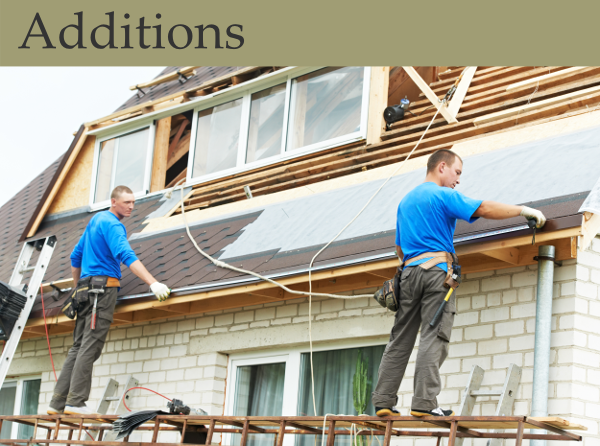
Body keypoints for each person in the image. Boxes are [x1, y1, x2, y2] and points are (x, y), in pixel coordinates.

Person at [372, 149, 545, 417]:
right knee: (434, 335)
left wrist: (412, 268)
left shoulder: (405, 201)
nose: (458, 180)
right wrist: (524, 210)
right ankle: (423, 405)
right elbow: (483, 208)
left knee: (400, 339)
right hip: (436, 274)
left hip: (407, 274)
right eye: (457, 172)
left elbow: (398, 247)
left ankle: (383, 403)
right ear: (442, 167)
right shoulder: (443, 195)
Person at [47, 185, 172, 415]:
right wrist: (152, 282)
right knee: (90, 346)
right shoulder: (114, 224)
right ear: (114, 202)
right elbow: (125, 255)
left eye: (133, 202)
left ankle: (57, 404)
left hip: (86, 290)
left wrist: (77, 289)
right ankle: (75, 402)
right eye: (127, 202)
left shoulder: (95, 221)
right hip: (101, 292)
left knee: (77, 346)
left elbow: (76, 256)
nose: (131, 206)